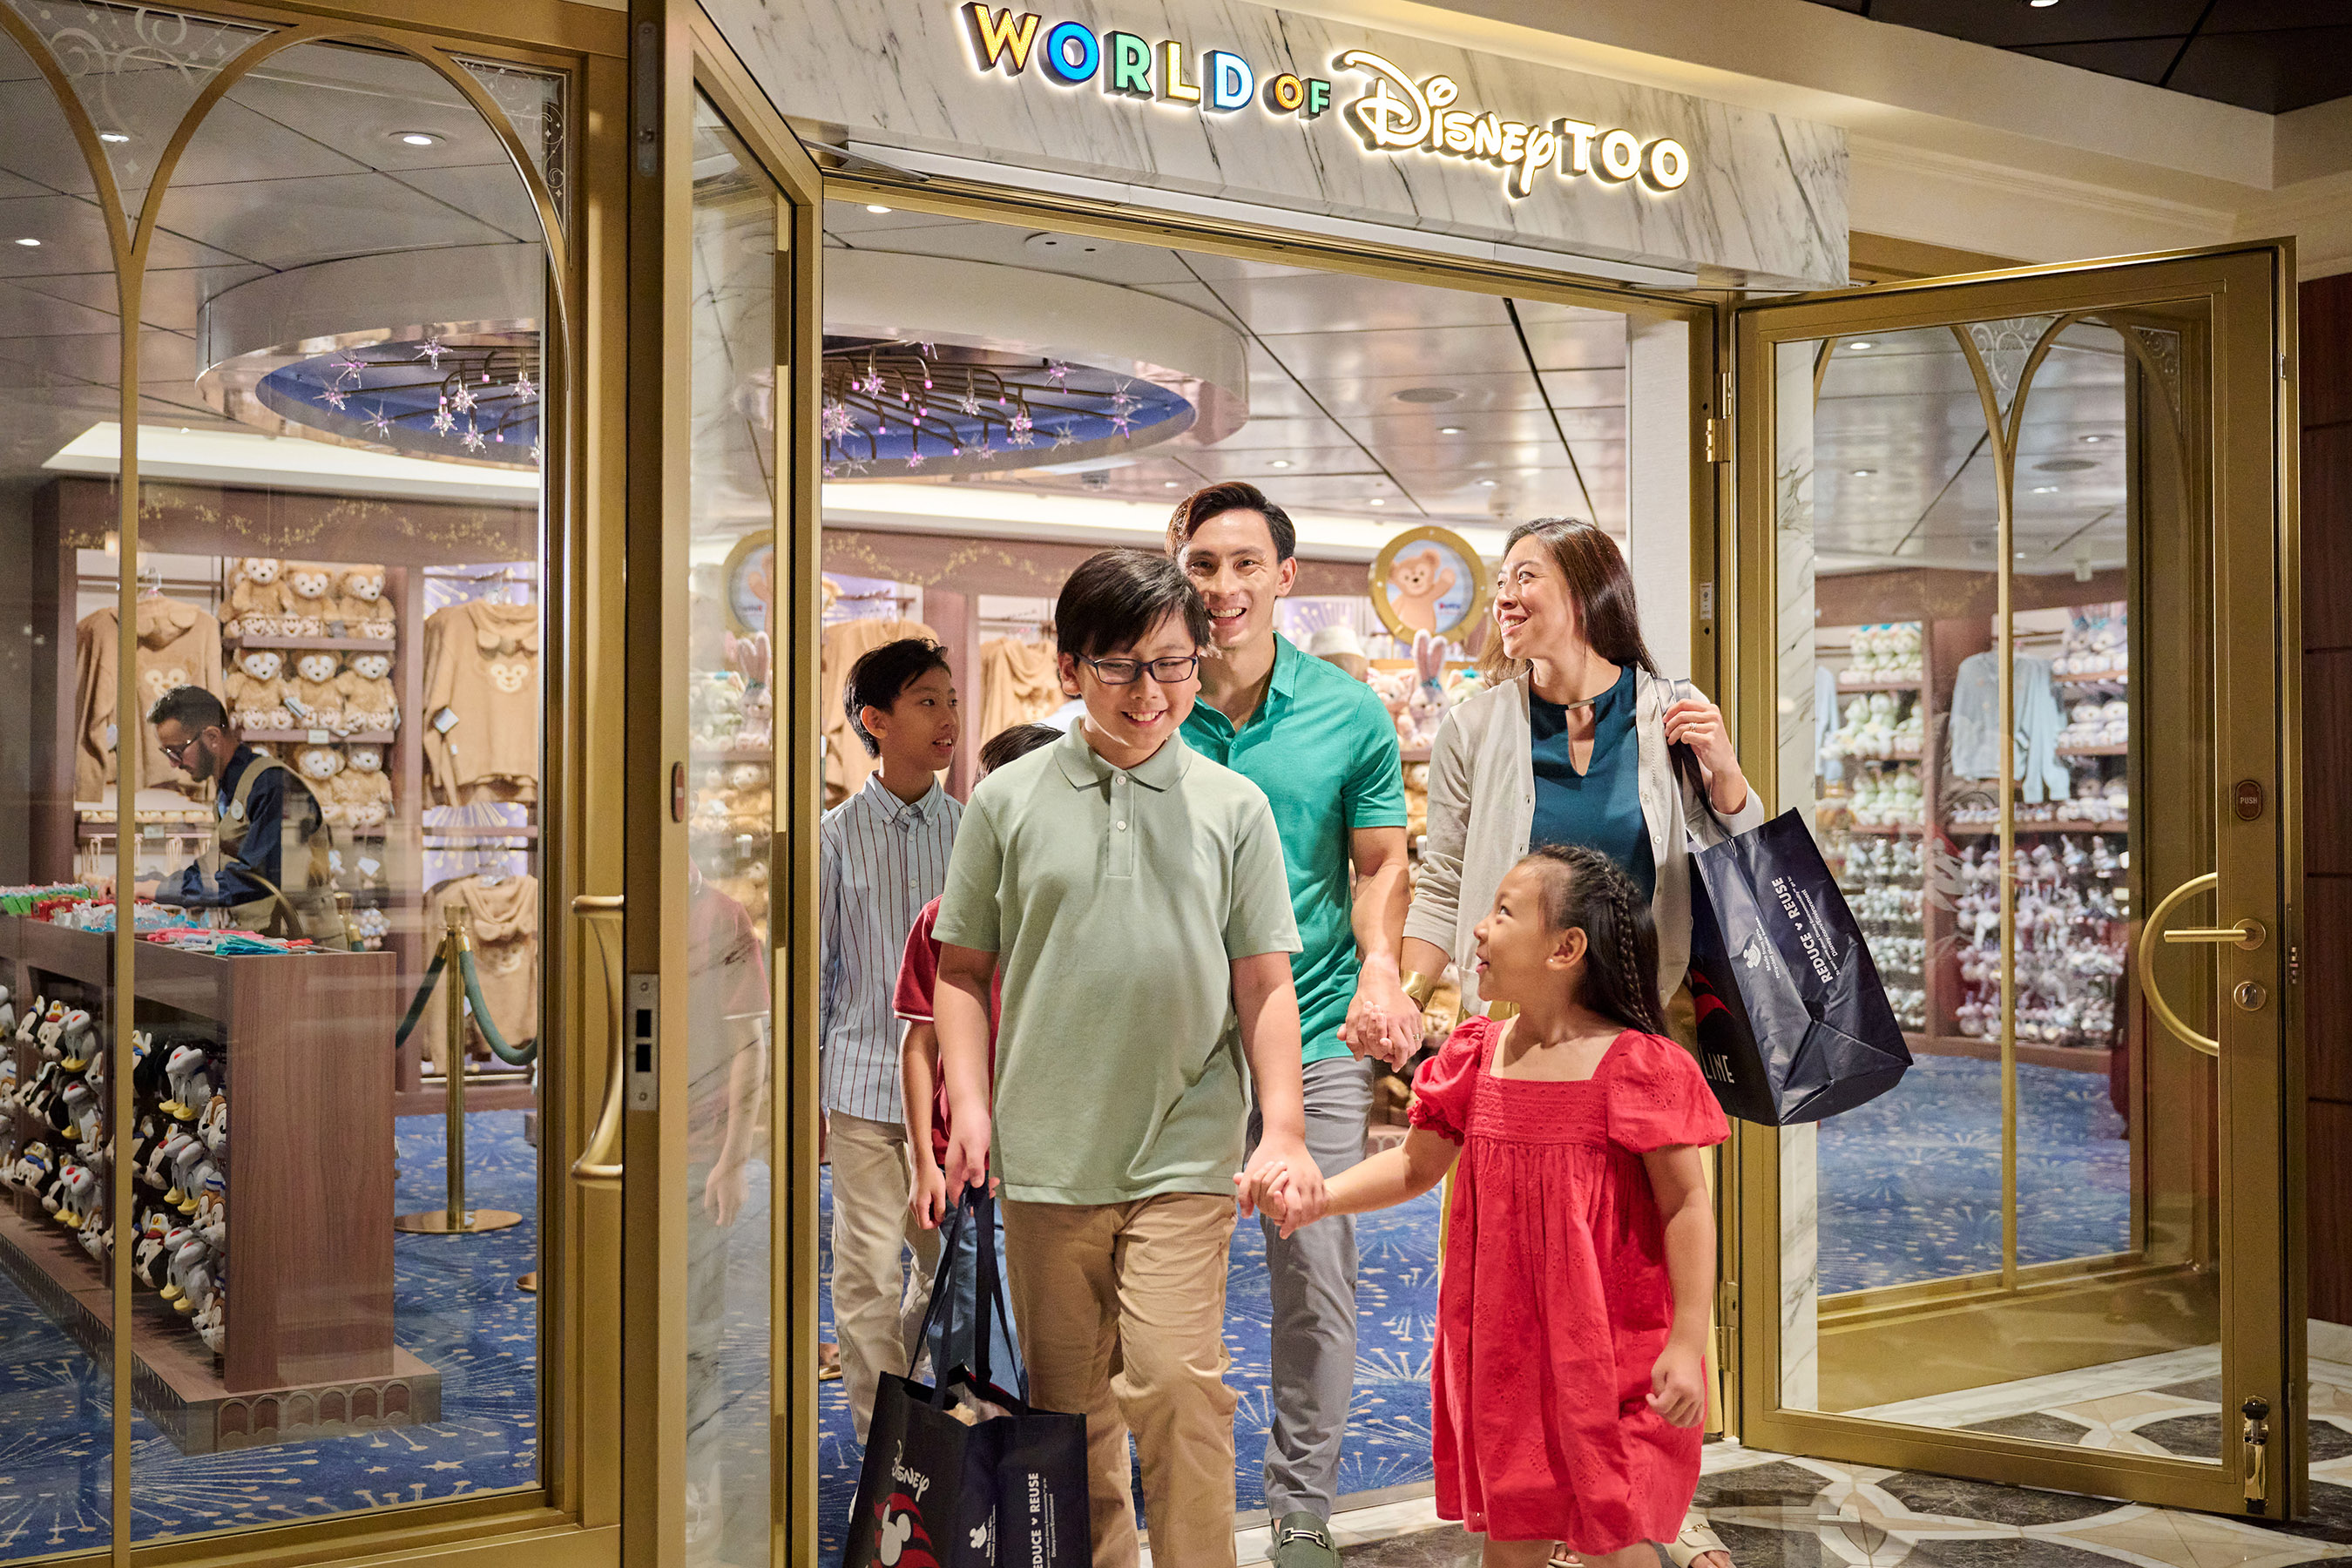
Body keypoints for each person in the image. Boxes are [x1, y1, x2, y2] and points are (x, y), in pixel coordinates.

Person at [931, 549, 1323, 1568]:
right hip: (1047, 1155)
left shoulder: (1234, 807)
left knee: (1178, 1381)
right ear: (1069, 668)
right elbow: (961, 972)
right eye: (1121, 666)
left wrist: (1283, 1127)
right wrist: (969, 1105)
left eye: (1174, 664)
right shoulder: (1006, 801)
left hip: (1184, 1148)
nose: (1151, 692)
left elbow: (1264, 983)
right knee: (1071, 1413)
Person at [1396, 517, 1756, 1568]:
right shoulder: (1477, 725)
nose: (1505, 596)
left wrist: (1724, 768)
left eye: (1527, 577)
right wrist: (1410, 994)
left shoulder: (1670, 712)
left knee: (1645, 1269)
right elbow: (1443, 876)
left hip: (1644, 1028)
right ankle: (1536, 1490)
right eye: (1501, 578)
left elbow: (1743, 856)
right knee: (1513, 1275)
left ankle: (1653, 1492)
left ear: (1591, 594)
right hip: (1518, 1031)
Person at [1264, 847, 1727, 1568]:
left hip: (1616, 1358)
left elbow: (1686, 1207)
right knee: (1513, 1538)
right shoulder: (1477, 1055)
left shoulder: (1640, 1065)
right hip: (1507, 1358)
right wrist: (1321, 1198)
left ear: (1565, 949)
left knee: (1618, 1536)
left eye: (1504, 913)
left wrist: (1687, 1342)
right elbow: (1414, 1166)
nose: (1479, 928)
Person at [1169, 481, 1418, 1568]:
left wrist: (1380, 970)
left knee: (1314, 1273)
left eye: (1242, 565)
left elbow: (1380, 863)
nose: (1222, 586)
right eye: (1202, 565)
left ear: (1284, 576)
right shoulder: (1152, 701)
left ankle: (1302, 1504)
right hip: (1173, 1043)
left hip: (1310, 1029)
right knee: (1166, 1277)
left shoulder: (1349, 713)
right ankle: (1173, 1500)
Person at [817, 636, 963, 1443]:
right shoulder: (834, 838)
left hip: (952, 1106)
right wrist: (805, 1102)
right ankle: (888, 1454)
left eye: (951, 700)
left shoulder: (974, 832)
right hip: (864, 1094)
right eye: (927, 702)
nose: (948, 719)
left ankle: (933, 1421)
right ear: (876, 721)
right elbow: (816, 977)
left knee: (954, 1275)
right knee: (867, 1278)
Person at [894, 720, 1062, 1386]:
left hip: (1064, 1162)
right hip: (971, 1166)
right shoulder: (943, 918)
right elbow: (919, 1044)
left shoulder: (1078, 919)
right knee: (978, 1339)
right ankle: (982, 1450)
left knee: (1061, 1339)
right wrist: (922, 1163)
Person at [125, 686, 338, 939]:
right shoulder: (231, 788)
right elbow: (217, 870)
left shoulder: (271, 784)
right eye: (167, 753)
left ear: (212, 737)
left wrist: (160, 889)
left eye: (177, 751)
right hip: (274, 942)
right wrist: (148, 882)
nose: (173, 763)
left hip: (306, 946)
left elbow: (255, 879)